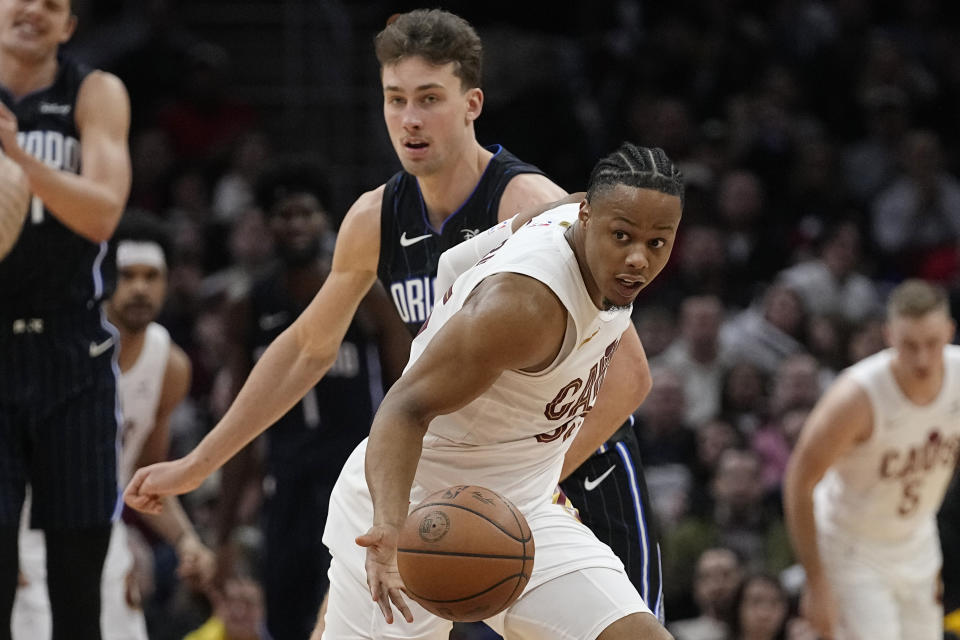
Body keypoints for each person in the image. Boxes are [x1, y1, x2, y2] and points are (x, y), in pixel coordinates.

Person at [121, 8, 660, 634]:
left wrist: (519, 485)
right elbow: (305, 349)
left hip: (574, 467)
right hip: (456, 486)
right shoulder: (374, 216)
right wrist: (198, 465)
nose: (409, 118)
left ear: (471, 104)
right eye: (395, 99)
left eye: (429, 99)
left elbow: (630, 378)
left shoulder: (530, 206)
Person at [180, 142, 677, 639]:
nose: (638, 258)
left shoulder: (568, 212)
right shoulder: (523, 307)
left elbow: (454, 264)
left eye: (658, 243)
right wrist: (391, 530)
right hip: (416, 513)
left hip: (522, 511)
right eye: (622, 236)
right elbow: (402, 408)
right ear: (589, 218)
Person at [214, 157, 410, 640]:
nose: (296, 225)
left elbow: (410, 390)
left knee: (366, 617)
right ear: (267, 225)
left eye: (307, 213)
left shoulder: (365, 295)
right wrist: (222, 537)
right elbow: (238, 425)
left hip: (358, 483)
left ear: (326, 221)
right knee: (286, 621)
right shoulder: (249, 305)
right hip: (287, 489)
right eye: (285, 215)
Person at [12, 212, 215, 639]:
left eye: (151, 275)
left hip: (104, 539)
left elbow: (144, 478)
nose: (140, 287)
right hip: (27, 536)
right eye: (127, 275)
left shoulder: (170, 364)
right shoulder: (55, 345)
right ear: (103, 277)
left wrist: (186, 541)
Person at [0, 0, 132, 638]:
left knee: (78, 585)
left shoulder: (95, 91)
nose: (33, 10)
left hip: (72, 349)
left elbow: (104, 212)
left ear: (70, 26)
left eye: (53, 4)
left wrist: (16, 158)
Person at [783, 279, 960, 640]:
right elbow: (799, 483)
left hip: (918, 540)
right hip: (852, 551)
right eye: (910, 345)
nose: (923, 358)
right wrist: (816, 584)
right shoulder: (855, 399)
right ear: (889, 336)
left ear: (949, 332)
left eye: (932, 343)